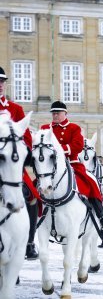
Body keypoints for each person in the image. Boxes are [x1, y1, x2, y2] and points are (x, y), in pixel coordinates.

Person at [41, 101, 103, 237]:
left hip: (71, 163)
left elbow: (77, 146)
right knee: (34, 184)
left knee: (92, 182)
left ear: (65, 113)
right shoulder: (45, 128)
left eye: (58, 113)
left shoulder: (74, 128)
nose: (55, 115)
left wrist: (59, 151)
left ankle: (102, 218)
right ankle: (33, 216)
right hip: (49, 166)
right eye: (53, 113)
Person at [0, 66, 39, 260]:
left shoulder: (15, 109)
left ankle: (29, 242)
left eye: (2, 82)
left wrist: (23, 154)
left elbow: (27, 138)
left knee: (32, 196)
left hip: (11, 168)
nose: (0, 85)